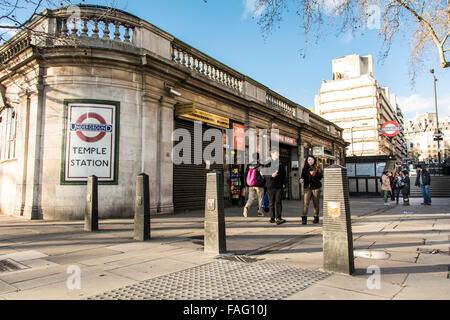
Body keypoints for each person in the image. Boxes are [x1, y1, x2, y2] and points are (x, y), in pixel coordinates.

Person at [263, 149, 287, 225]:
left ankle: (278, 217)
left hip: (279, 185)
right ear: (272, 154)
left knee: (278, 201)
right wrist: (271, 176)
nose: (277, 155)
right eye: (276, 154)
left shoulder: (281, 163)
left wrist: (284, 183)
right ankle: (272, 217)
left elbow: (284, 174)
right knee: (271, 202)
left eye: (278, 154)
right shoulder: (267, 163)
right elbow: (264, 174)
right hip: (270, 185)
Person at [299, 155, 323, 225]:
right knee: (305, 203)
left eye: (311, 160)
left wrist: (314, 174)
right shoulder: (305, 168)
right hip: (307, 187)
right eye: (309, 160)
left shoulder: (318, 167)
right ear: (307, 161)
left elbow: (320, 176)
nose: (310, 161)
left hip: (316, 187)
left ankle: (316, 217)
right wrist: (301, 179)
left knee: (316, 203)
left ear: (314, 160)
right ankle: (304, 218)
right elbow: (302, 176)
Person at [243, 153, 266, 217]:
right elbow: (263, 175)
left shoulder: (249, 165)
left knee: (251, 198)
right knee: (260, 198)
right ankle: (260, 211)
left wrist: (246, 184)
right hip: (259, 185)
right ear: (258, 158)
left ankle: (246, 207)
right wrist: (263, 183)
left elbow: (245, 175)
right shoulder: (260, 165)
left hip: (251, 184)